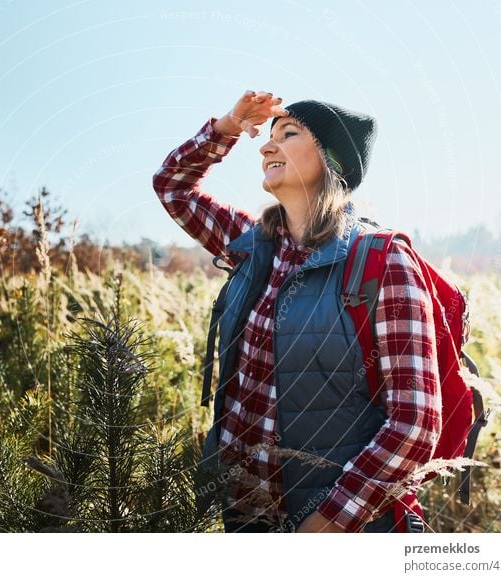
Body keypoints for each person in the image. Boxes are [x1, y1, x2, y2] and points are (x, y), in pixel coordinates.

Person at [152, 90, 442, 533]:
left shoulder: (381, 262)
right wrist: (225, 129)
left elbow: (414, 422)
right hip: (246, 520)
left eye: (288, 133)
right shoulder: (252, 245)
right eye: (267, 137)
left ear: (332, 160)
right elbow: (172, 185)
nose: (268, 145)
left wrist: (324, 524)